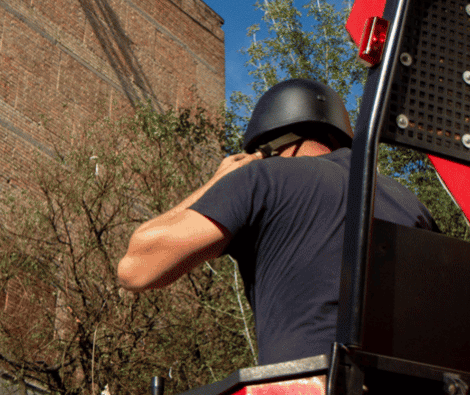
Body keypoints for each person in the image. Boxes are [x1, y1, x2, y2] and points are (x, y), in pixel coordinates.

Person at [116, 78, 435, 365]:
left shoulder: (263, 178)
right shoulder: (410, 203)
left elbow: (136, 269)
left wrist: (219, 181)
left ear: (268, 145)